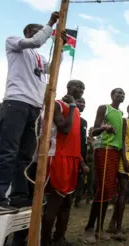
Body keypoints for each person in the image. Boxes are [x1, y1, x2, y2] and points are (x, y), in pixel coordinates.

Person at [0, 12, 67, 215]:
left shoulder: (39, 58)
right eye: (39, 30)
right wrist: (50, 24)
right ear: (29, 31)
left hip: (34, 108)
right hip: (16, 103)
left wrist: (61, 48)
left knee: (24, 156)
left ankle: (18, 197)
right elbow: (36, 42)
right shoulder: (14, 42)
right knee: (8, 152)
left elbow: (54, 67)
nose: (44, 33)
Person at [41, 80, 89, 246]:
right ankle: (44, 240)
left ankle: (59, 238)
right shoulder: (58, 104)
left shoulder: (76, 112)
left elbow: (75, 141)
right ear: (68, 88)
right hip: (59, 158)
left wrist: (81, 161)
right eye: (78, 86)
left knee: (67, 203)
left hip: (73, 159)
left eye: (83, 87)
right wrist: (73, 107)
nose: (81, 89)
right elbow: (65, 129)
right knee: (54, 202)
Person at [83, 88, 129, 244]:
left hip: (115, 153)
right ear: (112, 95)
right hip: (103, 149)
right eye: (118, 93)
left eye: (123, 93)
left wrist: (125, 159)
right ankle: (89, 228)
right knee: (102, 189)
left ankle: (99, 228)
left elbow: (122, 140)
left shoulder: (122, 117)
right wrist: (104, 128)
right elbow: (94, 131)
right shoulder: (104, 108)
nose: (121, 95)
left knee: (109, 191)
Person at [107, 103, 129, 241]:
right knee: (124, 191)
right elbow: (121, 139)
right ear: (127, 109)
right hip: (124, 158)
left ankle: (112, 224)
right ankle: (118, 229)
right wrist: (124, 159)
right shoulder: (124, 121)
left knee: (123, 192)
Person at [74, 97, 88, 207]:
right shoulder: (67, 116)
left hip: (81, 158)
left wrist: (83, 161)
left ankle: (77, 201)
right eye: (79, 101)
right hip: (70, 156)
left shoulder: (83, 122)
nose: (82, 104)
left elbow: (83, 142)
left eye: (83, 102)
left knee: (80, 182)